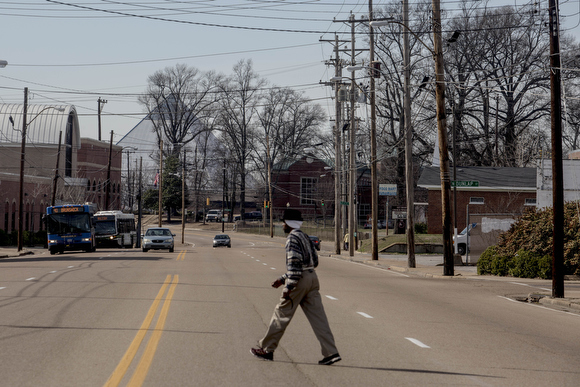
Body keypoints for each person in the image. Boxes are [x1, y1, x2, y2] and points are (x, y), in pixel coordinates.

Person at [251, 209, 341, 365]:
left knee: (281, 314)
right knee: (319, 319)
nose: (282, 225)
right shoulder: (304, 236)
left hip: (298, 281)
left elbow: (295, 264)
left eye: (283, 222)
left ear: (289, 223)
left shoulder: (292, 238)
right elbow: (314, 261)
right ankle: (331, 352)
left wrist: (288, 287)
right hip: (312, 279)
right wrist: (282, 278)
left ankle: (266, 349)